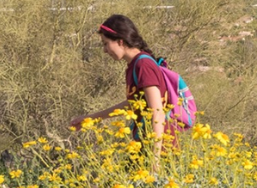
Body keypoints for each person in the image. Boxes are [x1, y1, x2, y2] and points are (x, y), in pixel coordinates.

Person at [72, 14, 182, 155]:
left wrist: (155, 163)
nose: (105, 50)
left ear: (120, 42)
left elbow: (157, 112)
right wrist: (91, 118)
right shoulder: (135, 65)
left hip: (160, 151)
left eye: (106, 44)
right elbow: (133, 103)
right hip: (143, 146)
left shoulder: (143, 65)